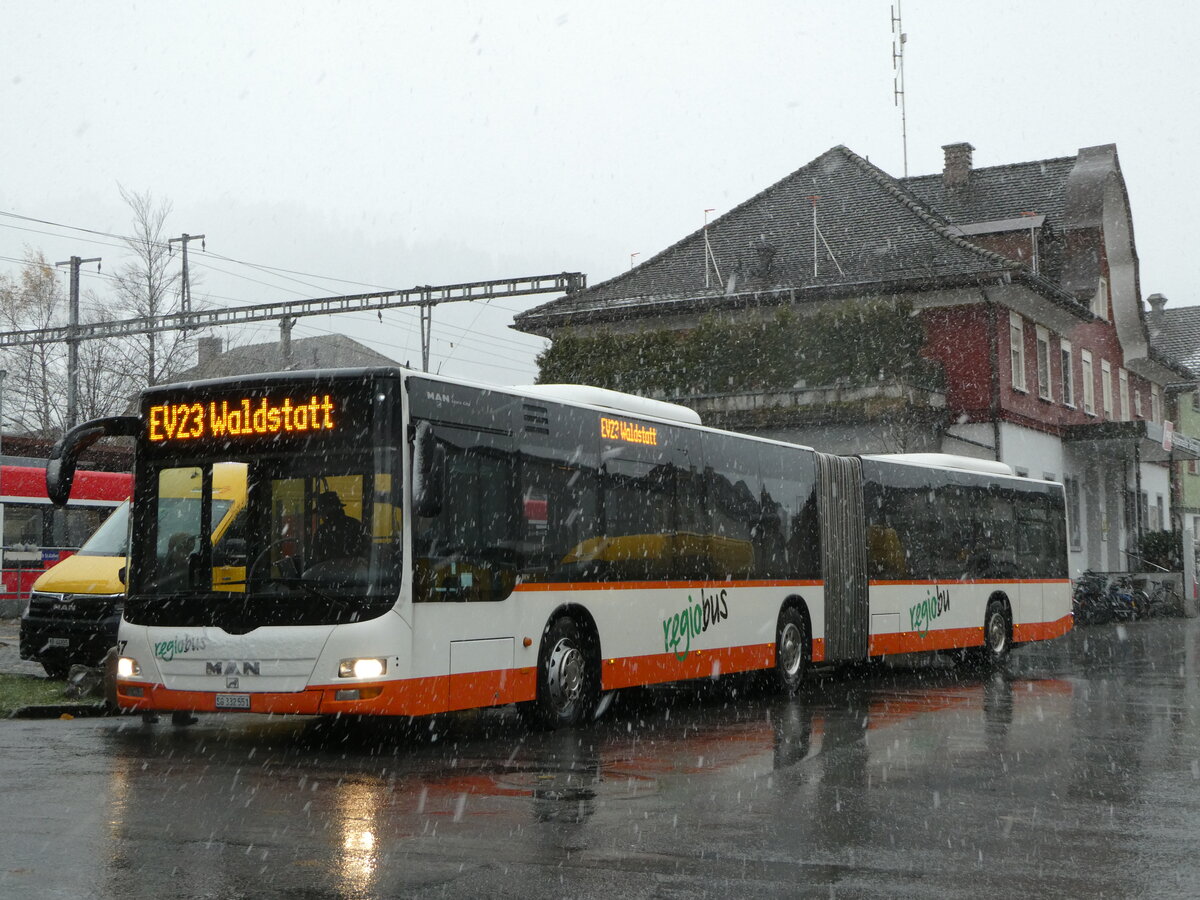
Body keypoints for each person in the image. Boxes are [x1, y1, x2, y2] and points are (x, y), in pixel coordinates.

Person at [311, 491, 366, 563]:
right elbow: (365, 555)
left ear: (329, 509)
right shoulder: (356, 525)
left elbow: (316, 558)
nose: (321, 516)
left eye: (322, 512)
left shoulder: (322, 531)